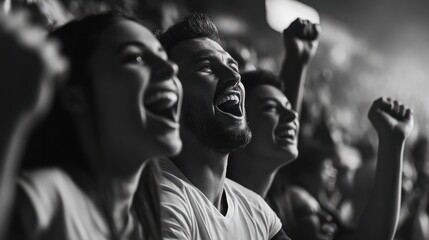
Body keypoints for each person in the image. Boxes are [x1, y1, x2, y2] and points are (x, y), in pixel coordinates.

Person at [2, 10, 182, 240]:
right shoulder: (49, 196)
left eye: (164, 56)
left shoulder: (139, 224)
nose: (171, 68)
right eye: (135, 58)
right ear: (74, 96)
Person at [157, 13, 289, 240]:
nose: (234, 77)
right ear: (168, 97)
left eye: (233, 66)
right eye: (206, 67)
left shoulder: (256, 209)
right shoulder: (160, 199)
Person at [269, 98, 414, 240]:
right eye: (309, 213)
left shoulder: (325, 210)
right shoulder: (267, 209)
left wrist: (392, 140)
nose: (327, 218)